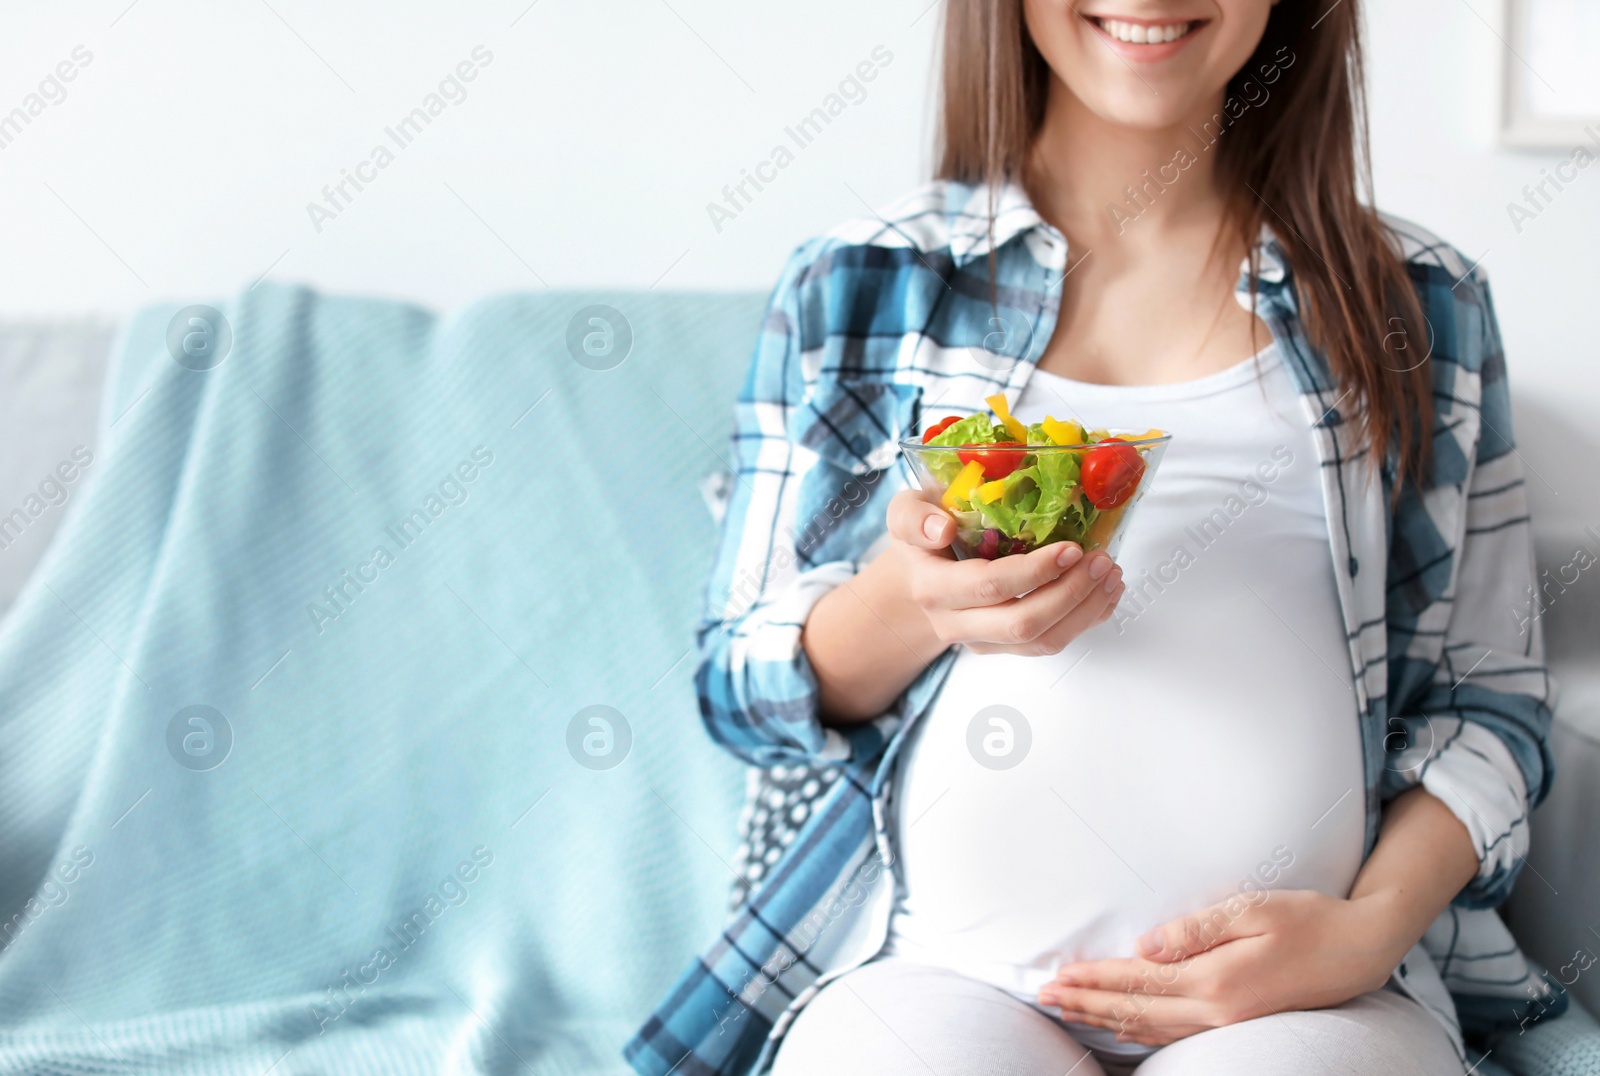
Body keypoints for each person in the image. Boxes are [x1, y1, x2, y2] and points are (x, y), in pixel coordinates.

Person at [627, 1, 1562, 1073]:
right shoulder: (857, 284)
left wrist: (1366, 930)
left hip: (1314, 1005)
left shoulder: (1419, 300)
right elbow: (737, 688)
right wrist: (907, 597)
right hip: (932, 977)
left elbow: (1489, 701)